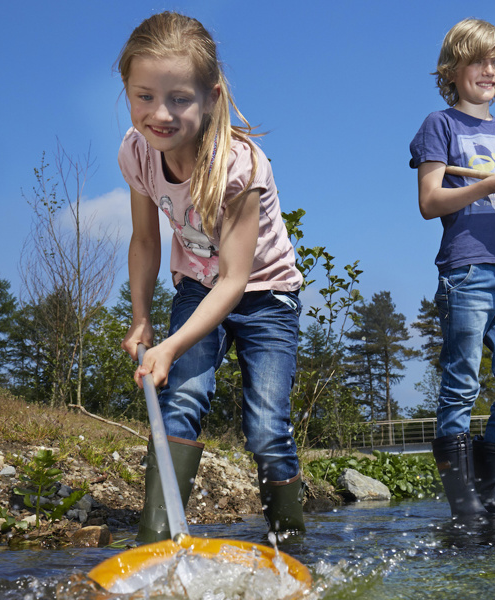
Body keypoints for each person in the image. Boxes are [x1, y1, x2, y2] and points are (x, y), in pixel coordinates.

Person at [116, 11, 305, 542]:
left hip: (265, 295)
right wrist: (142, 320)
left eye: (179, 99)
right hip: (196, 286)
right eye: (144, 96)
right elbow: (146, 240)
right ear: (128, 94)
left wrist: (171, 346)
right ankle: (156, 542)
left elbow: (234, 279)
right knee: (180, 400)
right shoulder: (138, 154)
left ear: (211, 96)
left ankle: (291, 544)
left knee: (266, 428)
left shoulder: (241, 167)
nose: (161, 114)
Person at [409, 19, 495, 518]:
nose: (488, 71)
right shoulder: (438, 125)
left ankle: (492, 496)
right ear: (452, 69)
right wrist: (490, 185)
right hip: (466, 270)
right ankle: (463, 504)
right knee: (462, 383)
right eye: (477, 61)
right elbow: (430, 201)